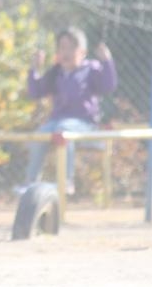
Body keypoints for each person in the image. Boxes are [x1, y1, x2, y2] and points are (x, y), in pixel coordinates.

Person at [20, 26, 117, 195]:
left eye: (71, 48)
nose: (66, 53)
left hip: (85, 125)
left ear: (83, 52)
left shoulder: (91, 69)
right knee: (39, 136)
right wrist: (34, 69)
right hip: (56, 123)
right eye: (62, 48)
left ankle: (66, 181)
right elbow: (36, 92)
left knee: (63, 130)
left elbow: (108, 86)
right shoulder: (56, 73)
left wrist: (106, 61)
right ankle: (30, 184)